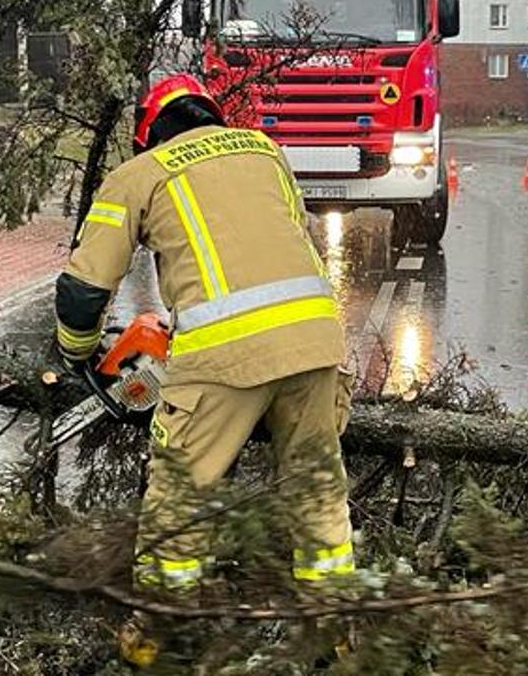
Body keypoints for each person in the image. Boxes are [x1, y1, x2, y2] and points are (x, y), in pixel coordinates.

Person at [50, 74, 355, 594]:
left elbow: (85, 289)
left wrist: (76, 352)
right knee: (317, 491)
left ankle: (165, 625)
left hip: (223, 360)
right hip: (316, 342)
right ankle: (332, 616)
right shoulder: (265, 152)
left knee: (178, 502)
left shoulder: (141, 173)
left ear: (149, 133)